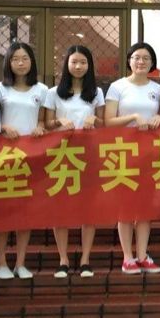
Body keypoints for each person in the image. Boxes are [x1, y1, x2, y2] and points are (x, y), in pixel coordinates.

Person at [44, 45, 105, 279]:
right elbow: (47, 123)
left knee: (88, 209)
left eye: (83, 62)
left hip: (88, 155)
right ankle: (63, 259)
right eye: (74, 62)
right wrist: (59, 122)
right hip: (61, 155)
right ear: (66, 64)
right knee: (61, 208)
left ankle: (85, 259)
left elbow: (104, 123)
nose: (78, 66)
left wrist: (94, 120)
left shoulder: (97, 92)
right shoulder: (53, 93)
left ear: (89, 65)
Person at [0, 42, 48, 280]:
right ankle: (1, 262)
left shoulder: (42, 90)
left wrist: (40, 128)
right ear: (8, 63)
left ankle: (20, 263)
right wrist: (4, 127)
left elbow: (43, 120)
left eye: (25, 58)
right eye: (15, 59)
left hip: (31, 157)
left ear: (32, 61)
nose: (21, 63)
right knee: (3, 212)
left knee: (26, 212)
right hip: (4, 157)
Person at [104, 42, 160, 275]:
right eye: (137, 57)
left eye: (146, 58)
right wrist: (133, 117)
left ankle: (142, 255)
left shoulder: (157, 88)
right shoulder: (117, 87)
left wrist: (159, 118)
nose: (141, 62)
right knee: (126, 205)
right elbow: (109, 120)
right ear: (129, 60)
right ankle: (127, 257)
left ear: (152, 63)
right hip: (123, 151)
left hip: (150, 152)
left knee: (146, 206)